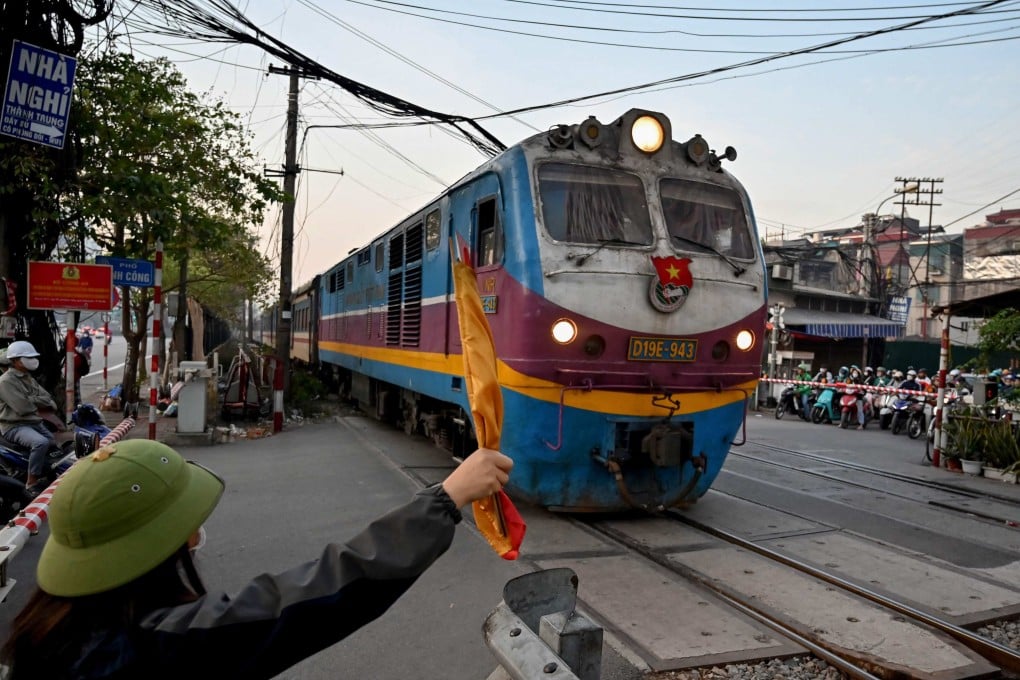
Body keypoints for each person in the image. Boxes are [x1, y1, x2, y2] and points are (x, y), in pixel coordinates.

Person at [1, 439, 514, 679]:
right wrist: (445, 497)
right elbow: (326, 588)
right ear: (161, 542)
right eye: (187, 518)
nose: (198, 529)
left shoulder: (44, 636)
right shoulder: (162, 647)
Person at [0, 341, 58, 497]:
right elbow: (23, 407)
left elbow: (49, 399)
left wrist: (31, 399)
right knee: (41, 443)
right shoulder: (6, 381)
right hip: (14, 426)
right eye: (28, 357)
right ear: (16, 360)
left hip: (34, 422)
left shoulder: (28, 377)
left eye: (33, 357)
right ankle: (31, 481)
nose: (33, 360)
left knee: (53, 445)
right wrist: (36, 400)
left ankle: (41, 473)